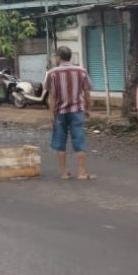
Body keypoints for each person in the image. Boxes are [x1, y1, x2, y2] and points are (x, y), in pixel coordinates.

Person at [45, 46, 94, 180]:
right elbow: (87, 92)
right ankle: (82, 173)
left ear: (58, 57)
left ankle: (64, 173)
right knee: (79, 140)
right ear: (70, 57)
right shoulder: (81, 71)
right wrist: (88, 109)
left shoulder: (52, 73)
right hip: (77, 110)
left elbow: (51, 97)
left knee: (60, 142)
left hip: (59, 112)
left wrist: (51, 115)